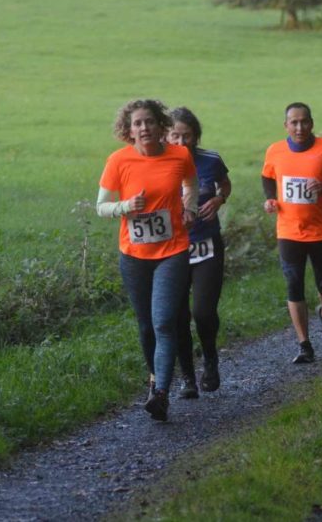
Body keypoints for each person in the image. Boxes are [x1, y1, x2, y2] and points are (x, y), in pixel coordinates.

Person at [96, 98, 198, 421]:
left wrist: (190, 207)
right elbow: (101, 206)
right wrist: (126, 207)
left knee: (164, 321)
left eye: (150, 122)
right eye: (138, 123)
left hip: (173, 251)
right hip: (134, 256)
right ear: (128, 130)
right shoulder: (118, 161)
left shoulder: (179, 155)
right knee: (146, 326)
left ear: (161, 126)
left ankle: (162, 393)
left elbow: (191, 183)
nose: (144, 128)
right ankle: (154, 380)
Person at [261, 102, 322, 364]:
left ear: (312, 123)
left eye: (304, 122)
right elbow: (267, 177)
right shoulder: (275, 150)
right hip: (288, 230)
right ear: (286, 125)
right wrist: (270, 199)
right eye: (294, 122)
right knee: (293, 284)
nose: (299, 127)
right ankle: (304, 344)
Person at [166, 107, 232, 398]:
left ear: (196, 136)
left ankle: (210, 358)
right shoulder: (157, 163)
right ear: (165, 135)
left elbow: (225, 183)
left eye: (187, 136)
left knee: (203, 312)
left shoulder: (210, 160)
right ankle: (187, 378)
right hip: (171, 249)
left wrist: (219, 198)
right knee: (178, 316)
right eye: (175, 136)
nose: (181, 142)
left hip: (206, 244)